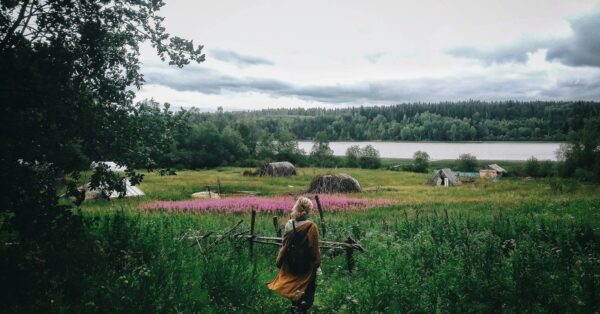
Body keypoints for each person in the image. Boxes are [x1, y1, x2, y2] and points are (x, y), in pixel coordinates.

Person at [267, 196, 321, 313]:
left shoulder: (289, 224)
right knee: (308, 293)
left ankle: (295, 308)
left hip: (291, 264)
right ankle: (300, 310)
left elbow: (284, 245)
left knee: (294, 288)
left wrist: (280, 260)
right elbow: (314, 250)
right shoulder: (311, 226)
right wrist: (316, 265)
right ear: (308, 210)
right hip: (307, 266)